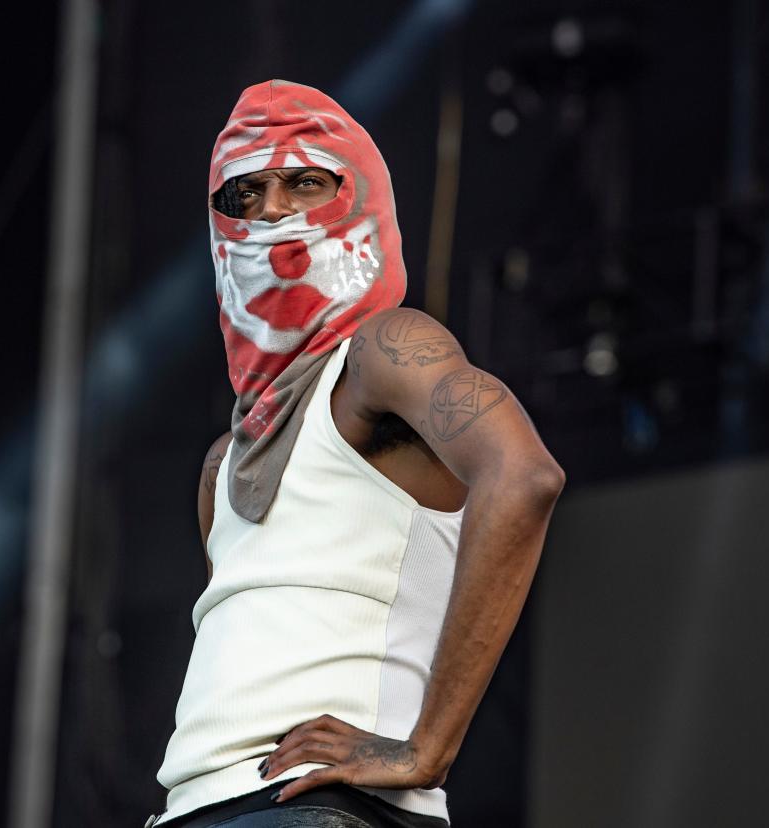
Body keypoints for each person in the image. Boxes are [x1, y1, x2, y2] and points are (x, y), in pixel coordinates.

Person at [147, 80, 564, 828]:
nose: (271, 209)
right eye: (244, 193)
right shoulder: (224, 463)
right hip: (201, 808)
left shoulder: (382, 354)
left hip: (328, 808)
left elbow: (524, 474)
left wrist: (424, 751)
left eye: (306, 182)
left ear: (362, 195)